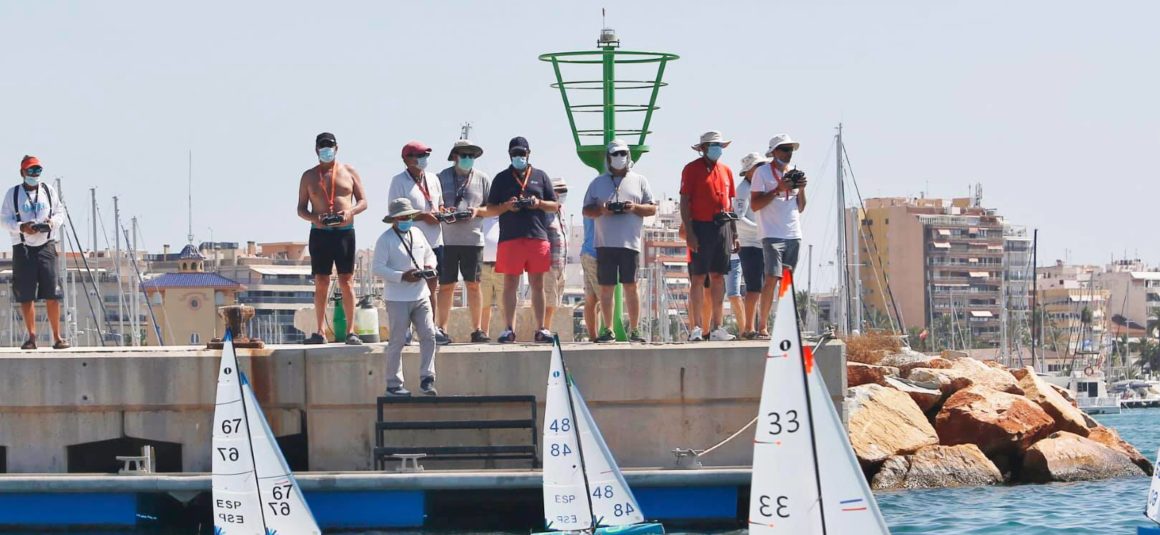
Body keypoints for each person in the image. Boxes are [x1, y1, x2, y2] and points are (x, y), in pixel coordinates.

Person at [485, 136, 559, 344]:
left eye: (522, 153)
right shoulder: (501, 178)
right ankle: (508, 329)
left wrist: (538, 203)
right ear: (509, 155)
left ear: (529, 153)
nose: (519, 156)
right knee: (510, 284)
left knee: (537, 284)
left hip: (537, 236)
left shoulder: (541, 176)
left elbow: (554, 205)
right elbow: (490, 209)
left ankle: (541, 329)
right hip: (510, 238)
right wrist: (507, 206)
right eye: (515, 153)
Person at [296, 132, 368, 345]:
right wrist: (315, 218)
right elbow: (301, 208)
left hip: (344, 232)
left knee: (347, 281)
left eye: (330, 146)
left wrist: (350, 212)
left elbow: (363, 201)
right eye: (322, 146)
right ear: (316, 149)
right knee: (321, 280)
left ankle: (351, 331)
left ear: (337, 148)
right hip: (320, 233)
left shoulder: (349, 171)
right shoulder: (309, 176)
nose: (326, 150)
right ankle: (320, 331)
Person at [583, 139, 656, 343]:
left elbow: (651, 208)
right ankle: (608, 330)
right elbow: (586, 210)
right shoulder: (597, 183)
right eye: (615, 154)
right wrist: (602, 209)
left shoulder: (640, 180)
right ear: (608, 157)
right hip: (604, 244)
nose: (619, 157)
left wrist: (634, 207)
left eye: (623, 153)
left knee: (631, 286)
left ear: (628, 155)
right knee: (606, 288)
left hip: (630, 243)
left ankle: (634, 330)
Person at [1, 156, 68, 350]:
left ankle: (57, 337)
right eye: (30, 170)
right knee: (26, 294)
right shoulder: (13, 194)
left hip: (46, 245)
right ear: (22, 172)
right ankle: (31, 337)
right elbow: (3, 220)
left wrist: (51, 223)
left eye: (38, 170)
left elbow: (60, 213)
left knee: (53, 292)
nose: (34, 174)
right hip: (23, 247)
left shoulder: (48, 190)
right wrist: (22, 227)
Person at [373, 198, 438, 396]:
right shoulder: (385, 240)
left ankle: (427, 379)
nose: (406, 220)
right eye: (402, 217)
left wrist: (429, 267)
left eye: (409, 216)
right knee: (398, 340)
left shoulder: (417, 233)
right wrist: (402, 276)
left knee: (429, 335)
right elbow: (378, 268)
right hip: (397, 298)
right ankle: (393, 384)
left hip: (421, 294)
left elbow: (430, 255)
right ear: (394, 219)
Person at [679, 131, 738, 342]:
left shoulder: (726, 171)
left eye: (719, 145)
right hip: (700, 226)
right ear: (703, 148)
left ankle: (717, 327)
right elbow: (684, 201)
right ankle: (696, 327)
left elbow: (730, 204)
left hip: (722, 226)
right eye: (713, 145)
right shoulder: (691, 169)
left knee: (718, 276)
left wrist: (734, 233)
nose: (717, 149)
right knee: (698, 277)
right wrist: (690, 232)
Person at [388, 141, 449, 344]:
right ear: (407, 159)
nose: (423, 159)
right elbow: (395, 212)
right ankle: (405, 330)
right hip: (410, 243)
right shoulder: (399, 181)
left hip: (434, 241)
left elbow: (439, 203)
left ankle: (430, 328)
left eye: (425, 155)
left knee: (432, 285)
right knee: (410, 284)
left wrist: (442, 212)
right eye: (419, 155)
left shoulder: (433, 178)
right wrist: (423, 216)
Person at [435, 139, 492, 343]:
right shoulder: (441, 177)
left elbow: (491, 208)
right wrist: (445, 211)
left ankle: (478, 329)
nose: (468, 158)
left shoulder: (483, 178)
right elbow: (435, 205)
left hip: (473, 240)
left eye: (471, 155)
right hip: (447, 240)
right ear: (455, 156)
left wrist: (476, 211)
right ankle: (441, 329)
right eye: (464, 155)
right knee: (446, 285)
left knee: (474, 285)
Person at [751, 134, 808, 336]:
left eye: (790, 149)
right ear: (773, 151)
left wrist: (801, 189)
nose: (788, 153)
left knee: (787, 280)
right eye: (784, 149)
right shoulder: (762, 172)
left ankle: (786, 325)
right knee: (771, 278)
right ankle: (763, 325)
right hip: (772, 233)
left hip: (793, 233)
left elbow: (801, 207)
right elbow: (755, 204)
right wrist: (778, 189)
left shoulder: (793, 173)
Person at [735, 152, 769, 339]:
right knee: (754, 287)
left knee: (765, 287)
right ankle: (749, 327)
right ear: (749, 171)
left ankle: (762, 327)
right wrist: (761, 228)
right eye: (758, 166)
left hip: (763, 242)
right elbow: (738, 218)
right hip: (750, 244)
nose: (762, 169)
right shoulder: (743, 189)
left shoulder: (761, 187)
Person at [543, 178, 569, 333]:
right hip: (548, 263)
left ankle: (547, 328)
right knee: (549, 299)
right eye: (560, 191)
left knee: (555, 300)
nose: (563, 194)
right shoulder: (545, 213)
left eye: (565, 191)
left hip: (561, 263)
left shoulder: (561, 211)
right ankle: (544, 329)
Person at [479, 216, 502, 339]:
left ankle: (509, 331)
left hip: (502, 265)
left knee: (505, 303)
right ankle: (483, 333)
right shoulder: (480, 217)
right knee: (484, 303)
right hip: (483, 265)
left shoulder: (505, 216)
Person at [580, 217, 602, 341]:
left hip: (587, 252)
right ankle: (607, 331)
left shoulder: (588, 207)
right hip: (596, 254)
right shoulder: (595, 208)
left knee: (591, 298)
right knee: (605, 296)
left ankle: (593, 336)